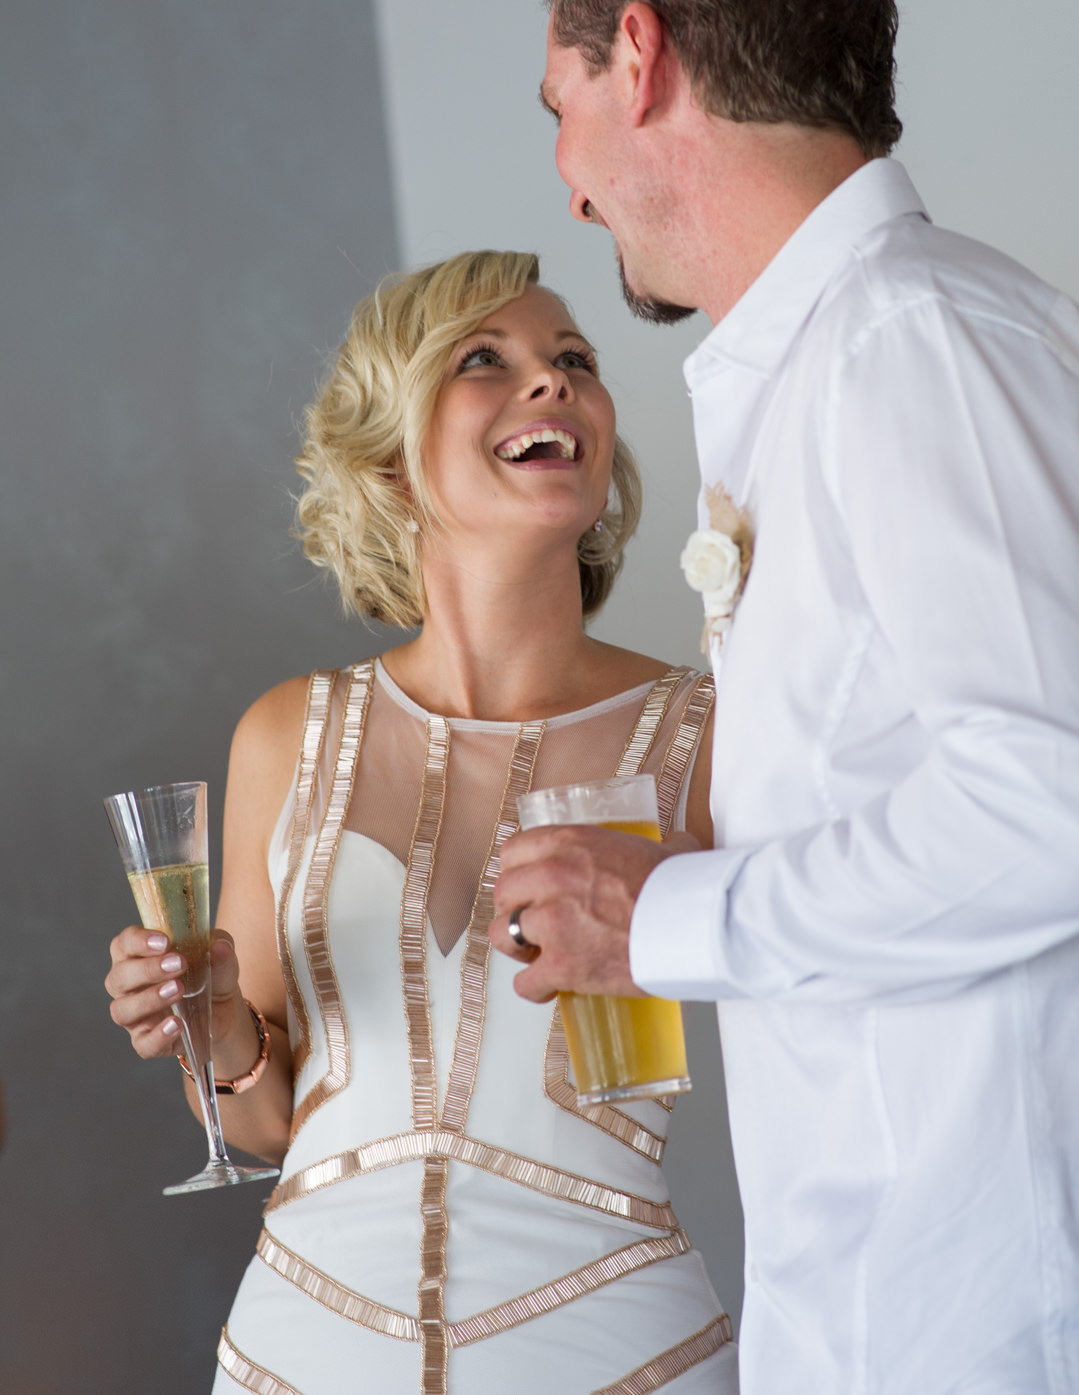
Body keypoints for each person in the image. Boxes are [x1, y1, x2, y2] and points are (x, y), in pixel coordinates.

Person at [491, 0, 1079, 1392]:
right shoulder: (840, 364)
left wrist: (660, 919)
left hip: (1009, 1324)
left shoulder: (916, 343)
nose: (570, 175)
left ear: (639, 52)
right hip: (898, 1310)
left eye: (562, 112)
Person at [105, 250, 738, 1395]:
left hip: (617, 1358)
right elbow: (266, 1124)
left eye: (575, 361)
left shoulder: (708, 731)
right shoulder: (283, 735)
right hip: (299, 1358)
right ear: (391, 462)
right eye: (485, 361)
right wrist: (212, 1021)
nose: (552, 383)